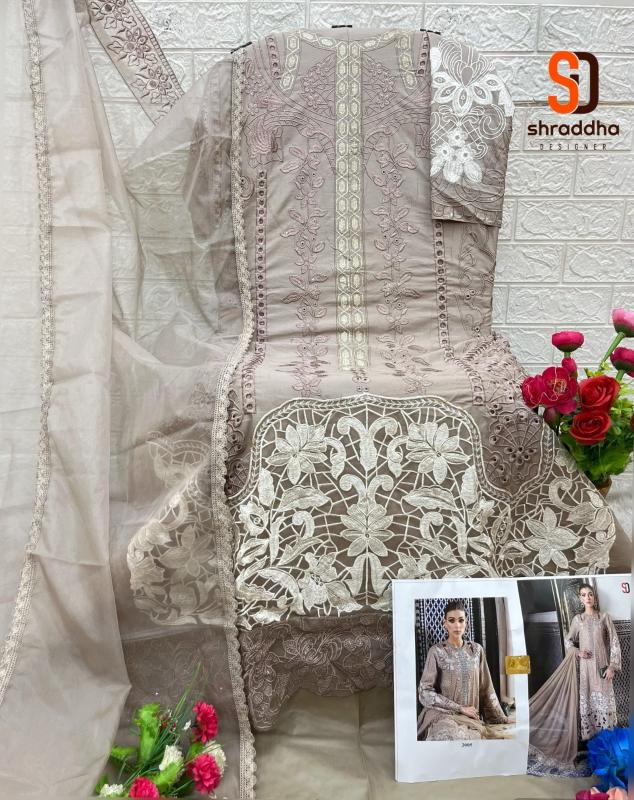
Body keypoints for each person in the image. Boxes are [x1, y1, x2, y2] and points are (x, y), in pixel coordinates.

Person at [417, 601, 511, 740]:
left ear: (466, 623)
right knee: (448, 737)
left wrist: (500, 717)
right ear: (445, 624)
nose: (457, 625)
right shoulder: (436, 651)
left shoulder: (476, 650)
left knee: (470, 740)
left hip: (470, 718)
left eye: (461, 620)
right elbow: (424, 692)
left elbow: (486, 688)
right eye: (452, 620)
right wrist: (460, 708)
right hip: (442, 715)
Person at [564, 583, 621, 740]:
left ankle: (608, 742)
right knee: (589, 703)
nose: (587, 597)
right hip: (586, 670)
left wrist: (612, 666)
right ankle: (593, 743)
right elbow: (568, 641)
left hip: (602, 668)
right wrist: (578, 652)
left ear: (594, 597)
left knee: (605, 704)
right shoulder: (578, 620)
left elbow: (614, 642)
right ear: (580, 598)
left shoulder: (603, 617)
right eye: (583, 595)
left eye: (590, 594)